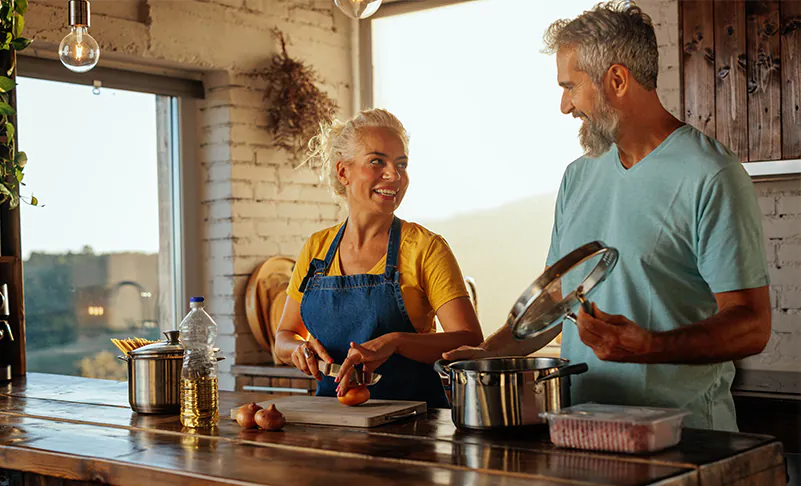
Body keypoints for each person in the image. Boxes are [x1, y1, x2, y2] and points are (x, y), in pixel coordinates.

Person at [443, 2, 771, 431]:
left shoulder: (710, 175)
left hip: (686, 440)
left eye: (571, 87)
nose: (565, 105)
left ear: (616, 79)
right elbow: (555, 303)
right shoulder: (578, 177)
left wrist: (649, 346)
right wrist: (489, 353)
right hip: (581, 430)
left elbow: (752, 326)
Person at [274, 108, 483, 409]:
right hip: (330, 420)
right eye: (377, 162)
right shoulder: (316, 248)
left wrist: (396, 341)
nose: (393, 175)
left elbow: (469, 340)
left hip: (413, 424)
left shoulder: (425, 248)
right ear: (343, 171)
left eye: (401, 164)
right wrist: (297, 348)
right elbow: (284, 336)